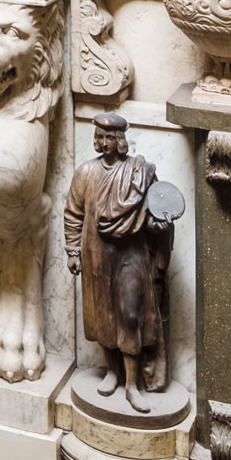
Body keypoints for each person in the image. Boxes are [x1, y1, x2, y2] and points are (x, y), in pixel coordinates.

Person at [65, 113, 180, 413]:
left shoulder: (140, 172)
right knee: (103, 314)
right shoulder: (85, 173)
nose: (104, 143)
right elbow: (73, 213)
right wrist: (73, 252)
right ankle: (112, 372)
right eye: (100, 137)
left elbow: (154, 215)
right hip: (97, 254)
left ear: (121, 140)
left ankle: (131, 383)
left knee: (130, 315)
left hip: (133, 255)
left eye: (110, 138)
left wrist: (160, 229)